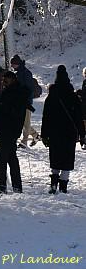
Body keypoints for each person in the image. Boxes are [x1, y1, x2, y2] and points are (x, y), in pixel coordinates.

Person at [40, 65, 86, 194]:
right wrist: (82, 134)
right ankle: (64, 186)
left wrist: (44, 134)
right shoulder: (73, 96)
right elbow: (78, 117)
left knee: (55, 158)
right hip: (69, 132)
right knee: (67, 158)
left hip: (54, 133)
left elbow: (46, 117)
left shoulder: (51, 97)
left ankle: (53, 183)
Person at [0, 69, 28, 194]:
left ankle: (2, 187)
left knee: (1, 159)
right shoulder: (12, 92)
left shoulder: (13, 93)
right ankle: (16, 187)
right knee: (11, 158)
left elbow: (2, 112)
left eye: (5, 80)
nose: (3, 82)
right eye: (3, 80)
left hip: (8, 130)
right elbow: (0, 111)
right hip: (10, 130)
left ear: (12, 80)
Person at [10, 54, 39, 147]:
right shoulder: (16, 73)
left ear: (17, 63)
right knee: (21, 122)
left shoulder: (26, 73)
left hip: (26, 102)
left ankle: (24, 142)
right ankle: (35, 135)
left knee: (25, 123)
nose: (12, 66)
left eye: (13, 64)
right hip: (18, 102)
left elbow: (29, 89)